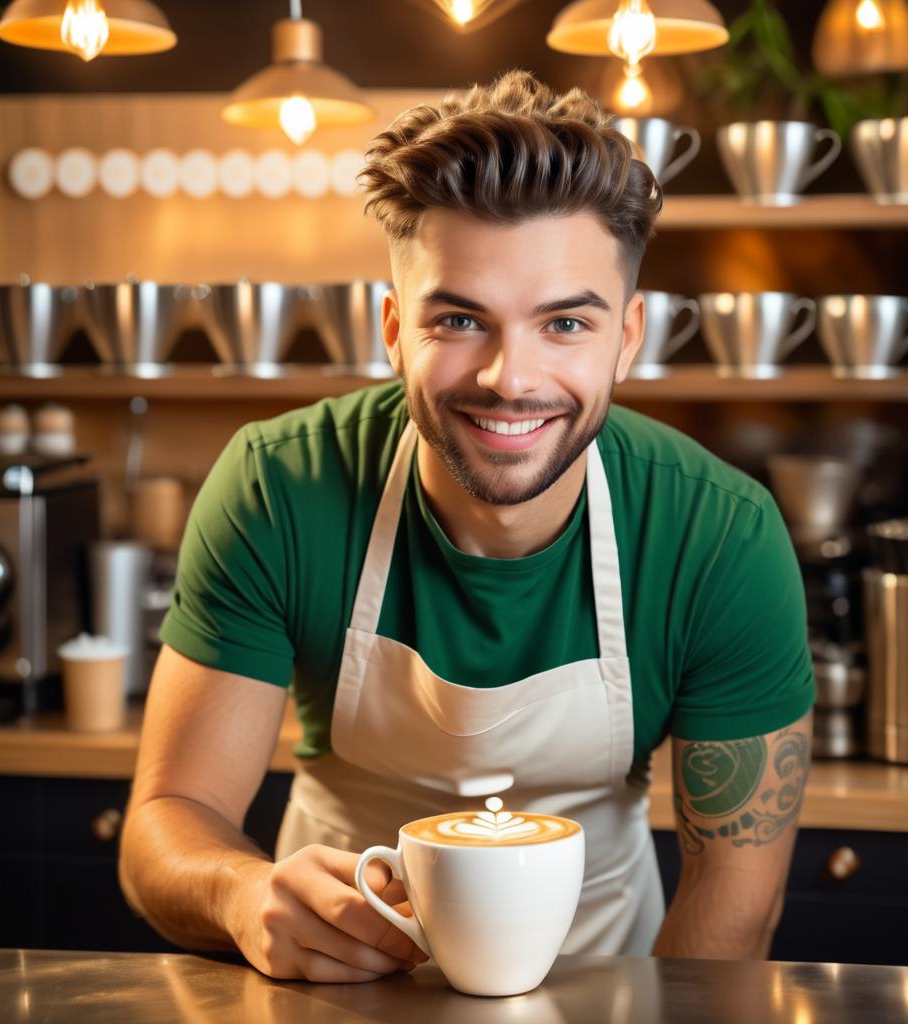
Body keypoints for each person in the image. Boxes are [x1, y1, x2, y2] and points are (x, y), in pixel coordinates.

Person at [119, 70, 814, 983]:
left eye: (565, 322)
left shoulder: (717, 534)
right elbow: (169, 815)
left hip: (607, 982)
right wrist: (241, 895)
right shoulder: (280, 484)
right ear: (395, 330)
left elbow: (737, 896)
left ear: (630, 337)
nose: (508, 379)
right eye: (460, 320)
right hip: (329, 989)